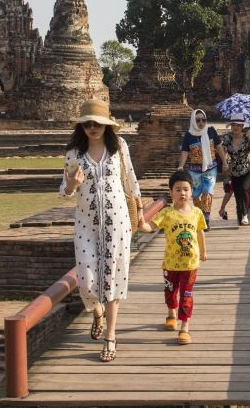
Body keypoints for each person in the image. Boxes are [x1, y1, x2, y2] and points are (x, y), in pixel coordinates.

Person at [61, 98, 144, 363]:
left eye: (97, 123)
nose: (92, 128)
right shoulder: (73, 153)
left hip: (117, 221)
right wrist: (72, 185)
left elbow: (130, 180)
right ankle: (96, 312)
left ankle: (110, 335)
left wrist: (140, 212)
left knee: (113, 279)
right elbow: (63, 192)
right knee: (86, 280)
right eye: (87, 124)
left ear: (107, 125)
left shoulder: (119, 147)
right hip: (86, 223)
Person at [140, 170, 206, 345]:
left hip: (191, 263)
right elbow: (152, 227)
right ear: (171, 192)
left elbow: (199, 233)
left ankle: (185, 326)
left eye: (185, 189)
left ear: (191, 191)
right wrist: (141, 224)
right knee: (170, 291)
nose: (182, 193)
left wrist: (203, 252)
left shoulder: (197, 212)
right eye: (178, 189)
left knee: (186, 294)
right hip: (170, 263)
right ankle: (171, 313)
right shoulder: (167, 213)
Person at [177, 109, 226, 229]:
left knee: (207, 192)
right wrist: (180, 166)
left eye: (203, 120)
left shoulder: (211, 131)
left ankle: (206, 219)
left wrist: (224, 162)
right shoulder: (189, 135)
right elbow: (184, 152)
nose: (201, 122)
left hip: (210, 168)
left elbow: (219, 148)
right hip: (194, 171)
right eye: (198, 120)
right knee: (196, 195)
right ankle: (199, 217)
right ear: (193, 121)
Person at [218, 113, 250, 226]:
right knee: (238, 197)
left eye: (239, 125)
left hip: (249, 170)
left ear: (242, 126)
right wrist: (224, 162)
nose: (236, 127)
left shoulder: (247, 137)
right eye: (234, 125)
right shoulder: (228, 137)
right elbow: (221, 149)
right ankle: (242, 221)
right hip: (235, 171)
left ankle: (245, 214)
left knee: (244, 188)